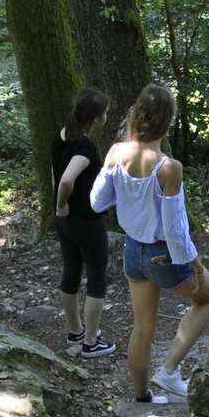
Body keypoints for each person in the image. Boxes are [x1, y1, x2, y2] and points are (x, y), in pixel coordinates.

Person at [90, 82, 209, 402]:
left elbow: (97, 202)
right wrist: (195, 264)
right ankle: (169, 371)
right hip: (163, 255)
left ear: (138, 113)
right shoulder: (168, 167)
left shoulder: (116, 152)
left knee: (142, 328)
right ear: (168, 120)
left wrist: (122, 188)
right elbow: (175, 229)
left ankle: (141, 398)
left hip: (132, 251)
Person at [51, 88, 116, 359]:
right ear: (97, 118)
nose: (106, 116)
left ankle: (76, 331)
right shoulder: (84, 148)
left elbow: (55, 175)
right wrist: (61, 203)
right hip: (86, 221)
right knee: (97, 278)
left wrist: (58, 208)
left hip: (65, 221)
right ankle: (91, 342)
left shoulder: (62, 135)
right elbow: (66, 180)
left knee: (71, 270)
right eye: (105, 113)